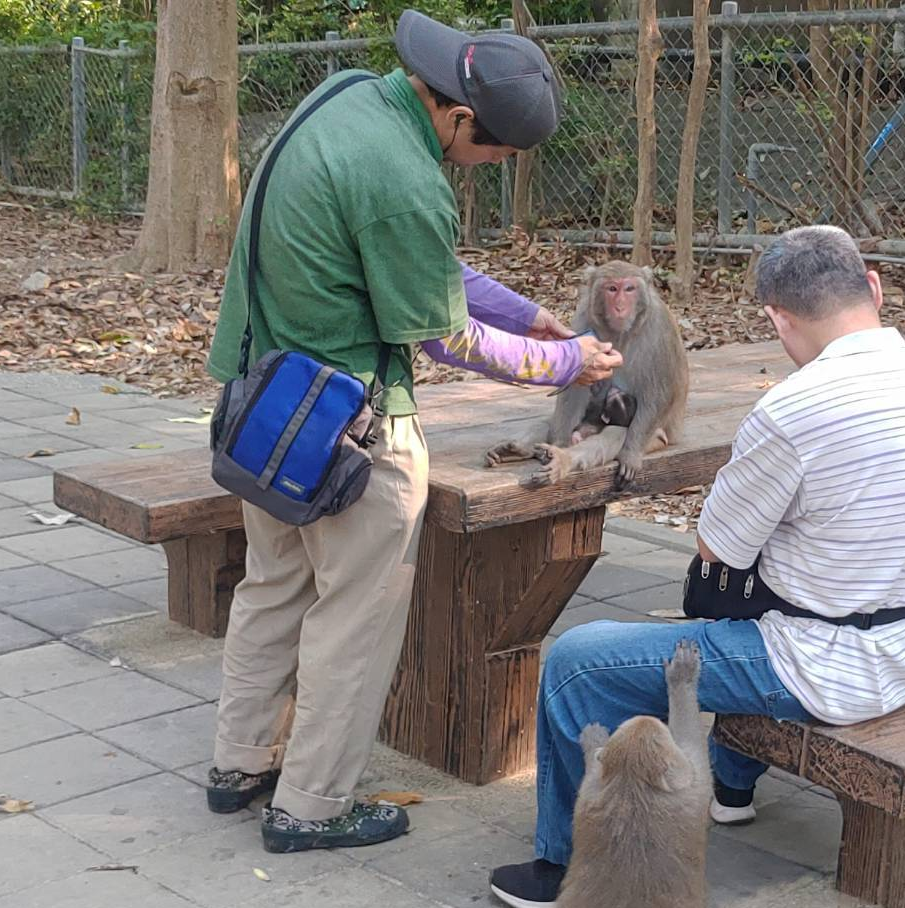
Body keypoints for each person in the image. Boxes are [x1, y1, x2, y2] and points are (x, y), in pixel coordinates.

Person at [202, 10, 622, 854]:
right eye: (495, 154)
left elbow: (421, 262)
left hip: (264, 410)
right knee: (352, 622)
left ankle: (240, 767)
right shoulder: (405, 177)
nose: (492, 169)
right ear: (459, 116)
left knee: (271, 591)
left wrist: (529, 313)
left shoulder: (348, 98)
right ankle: (312, 807)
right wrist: (565, 362)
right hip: (351, 432)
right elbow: (446, 334)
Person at [488, 224, 905, 907]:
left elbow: (717, 550)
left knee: (577, 658)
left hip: (824, 663)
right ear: (873, 288)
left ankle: (559, 866)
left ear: (776, 317)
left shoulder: (794, 408)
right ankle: (733, 786)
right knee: (760, 611)